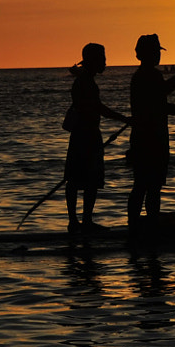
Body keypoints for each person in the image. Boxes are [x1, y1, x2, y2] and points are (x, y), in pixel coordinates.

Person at [127, 34, 175, 224]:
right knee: (146, 185)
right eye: (155, 52)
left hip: (150, 137)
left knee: (151, 185)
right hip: (149, 138)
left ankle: (146, 222)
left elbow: (160, 105)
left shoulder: (144, 76)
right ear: (145, 55)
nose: (158, 56)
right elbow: (165, 92)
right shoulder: (147, 76)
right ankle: (138, 224)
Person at [64, 43, 129, 230]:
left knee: (79, 179)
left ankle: (79, 221)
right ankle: (80, 222)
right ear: (93, 61)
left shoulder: (85, 80)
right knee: (85, 180)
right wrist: (123, 118)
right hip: (86, 136)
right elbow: (98, 108)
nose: (106, 62)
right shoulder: (85, 82)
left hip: (84, 135)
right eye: (103, 58)